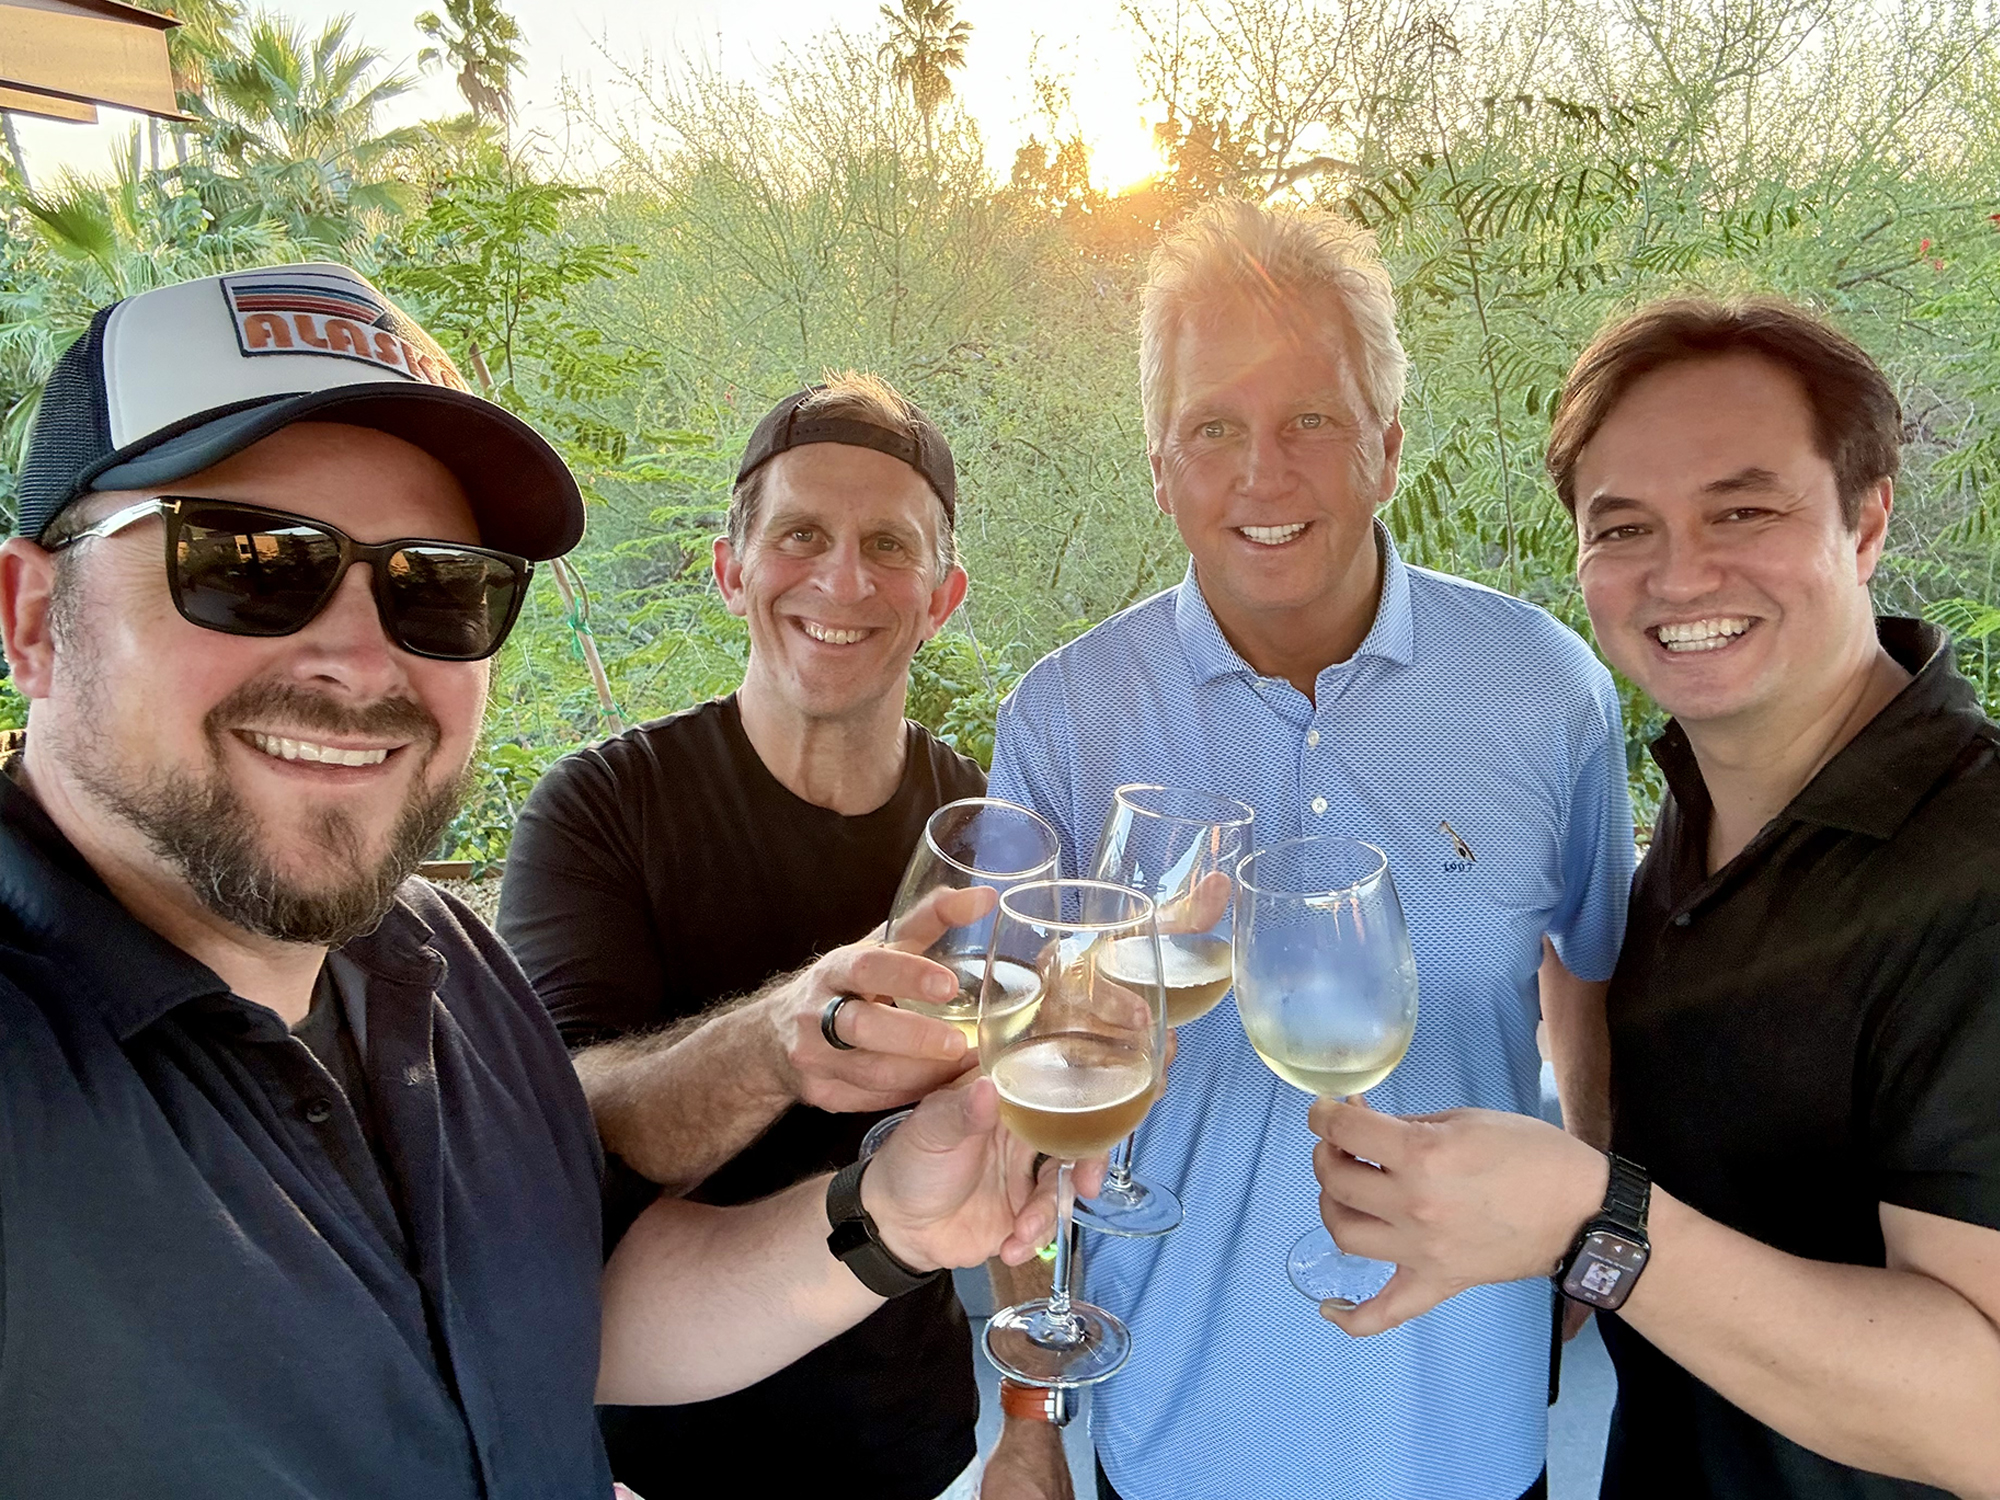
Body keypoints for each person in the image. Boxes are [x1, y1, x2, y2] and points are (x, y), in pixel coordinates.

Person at [0, 266, 1072, 1500]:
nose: (358, 659)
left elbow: (575, 1321)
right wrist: (786, 1038)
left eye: (435, 585)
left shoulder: (441, 971)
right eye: (248, 561)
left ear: (942, 599)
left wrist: (889, 1220)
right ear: (33, 617)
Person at [986, 199, 1636, 1499]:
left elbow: (1593, 989)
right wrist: (1030, 1421)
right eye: (1212, 429)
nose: (1260, 475)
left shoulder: (1546, 690)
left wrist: (1588, 1240)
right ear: (1158, 467)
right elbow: (1017, 1101)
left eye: (1311, 422)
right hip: (1177, 1432)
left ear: (1388, 447)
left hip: (1469, 1423)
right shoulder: (1063, 719)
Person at [1308, 297, 2000, 1498]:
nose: (1679, 573)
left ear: (1866, 518)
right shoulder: (1701, 798)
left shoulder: (1973, 864)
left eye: (1742, 509)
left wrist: (1594, 1226)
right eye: (1622, 526)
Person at [498, 375, 1074, 1500]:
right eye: (800, 534)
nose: (843, 580)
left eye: (887, 546)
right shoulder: (602, 809)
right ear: (731, 571)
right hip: (643, 1460)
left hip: (914, 1455)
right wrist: (778, 1042)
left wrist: (1030, 1423)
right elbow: (564, 1119)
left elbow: (1022, 1157)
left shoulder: (989, 835)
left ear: (941, 596)